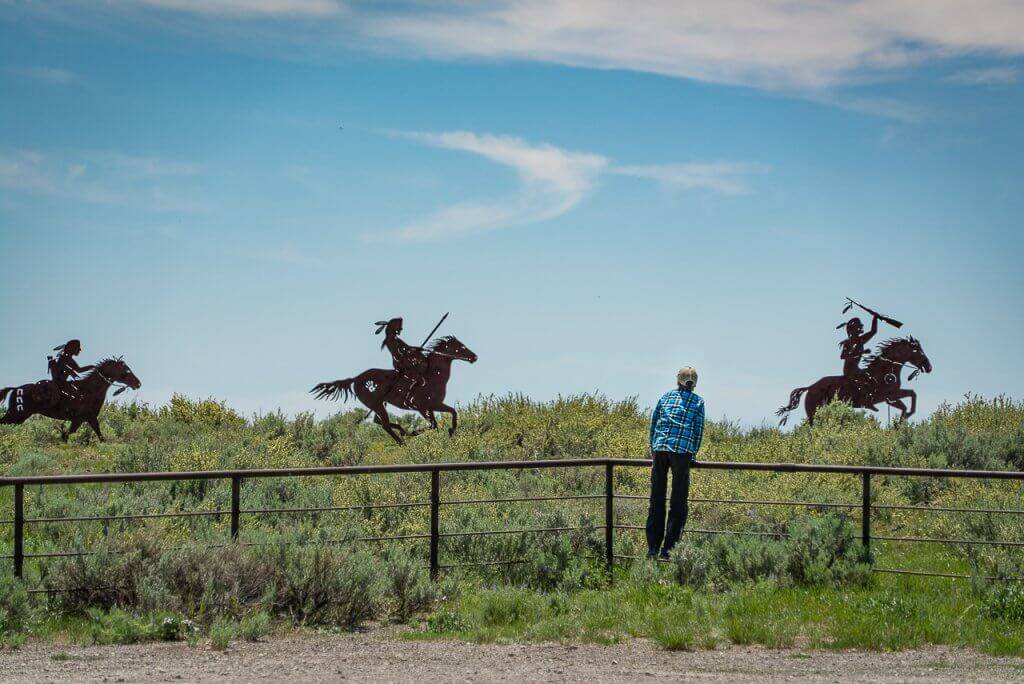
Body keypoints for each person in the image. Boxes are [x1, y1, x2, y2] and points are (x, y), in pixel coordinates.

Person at [646, 367, 705, 560]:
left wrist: (653, 450)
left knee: (657, 499)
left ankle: (653, 547)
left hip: (660, 448)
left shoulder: (665, 397)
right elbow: (698, 431)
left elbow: (654, 425)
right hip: (682, 452)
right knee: (678, 502)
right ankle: (669, 550)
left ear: (678, 380)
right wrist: (692, 455)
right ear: (694, 383)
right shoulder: (698, 401)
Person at [375, 318, 429, 394]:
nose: (401, 330)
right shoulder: (390, 340)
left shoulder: (396, 339)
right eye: (399, 328)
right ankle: (410, 393)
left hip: (404, 360)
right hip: (400, 362)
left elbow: (407, 347)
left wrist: (417, 349)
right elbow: (397, 353)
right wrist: (410, 352)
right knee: (417, 377)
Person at [837, 314, 879, 391]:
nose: (858, 329)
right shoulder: (848, 343)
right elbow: (843, 356)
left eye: (859, 327)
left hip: (856, 369)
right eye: (857, 328)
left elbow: (873, 331)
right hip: (849, 371)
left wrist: (875, 318)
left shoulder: (860, 340)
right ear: (852, 329)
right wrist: (861, 352)